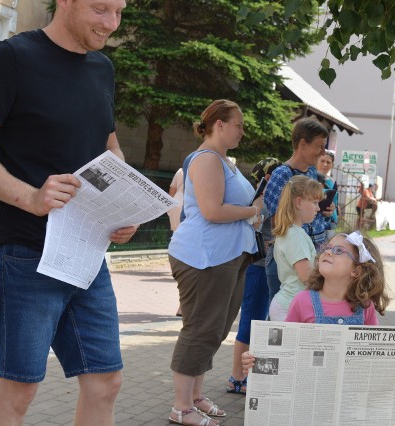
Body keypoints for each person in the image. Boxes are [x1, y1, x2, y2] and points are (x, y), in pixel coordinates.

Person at [0, 1, 137, 424]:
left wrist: (123, 203)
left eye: (119, 12)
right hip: (27, 253)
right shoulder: (12, 58)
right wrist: (30, 197)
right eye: (100, 9)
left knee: (107, 381)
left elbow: (108, 146)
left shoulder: (103, 68)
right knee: (20, 389)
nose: (111, 23)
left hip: (87, 254)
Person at [167, 99, 262, 426]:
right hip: (204, 256)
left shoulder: (224, 161)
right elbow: (212, 211)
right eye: (238, 124)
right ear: (219, 124)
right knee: (199, 329)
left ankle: (195, 396)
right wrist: (254, 211)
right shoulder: (207, 159)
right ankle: (181, 406)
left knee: (215, 329)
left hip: (228, 255)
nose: (242, 131)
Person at [242, 232, 395, 386]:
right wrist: (256, 361)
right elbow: (284, 350)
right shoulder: (302, 301)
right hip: (309, 391)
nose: (328, 252)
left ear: (356, 270)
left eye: (339, 251)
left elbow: (375, 359)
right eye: (328, 248)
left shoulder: (365, 308)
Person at [226, 157, 282, 395]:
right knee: (251, 320)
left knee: (264, 323)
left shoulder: (276, 197)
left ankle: (250, 374)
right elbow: (254, 223)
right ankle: (236, 377)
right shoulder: (262, 198)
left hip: (270, 267)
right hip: (258, 266)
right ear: (268, 178)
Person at [264, 117, 333, 305]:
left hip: (311, 249)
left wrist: (323, 211)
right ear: (303, 144)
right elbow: (277, 217)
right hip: (292, 256)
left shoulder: (311, 172)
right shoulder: (282, 174)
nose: (322, 152)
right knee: (283, 318)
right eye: (319, 146)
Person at [268, 175, 323, 321]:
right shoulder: (294, 236)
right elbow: (306, 276)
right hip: (289, 306)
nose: (318, 208)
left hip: (290, 304)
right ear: (299, 202)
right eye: (315, 202)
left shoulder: (294, 232)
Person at [167, 167, 184, 317]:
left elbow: (172, 190)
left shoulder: (180, 170)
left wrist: (169, 208)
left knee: (178, 243)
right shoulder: (207, 166)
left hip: (176, 205)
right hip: (190, 208)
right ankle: (183, 306)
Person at [317, 149, 338, 238]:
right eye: (322, 161)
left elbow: (335, 203)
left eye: (328, 162)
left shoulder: (331, 182)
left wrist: (333, 207)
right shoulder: (311, 179)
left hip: (331, 222)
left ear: (332, 165)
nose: (325, 164)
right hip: (317, 222)